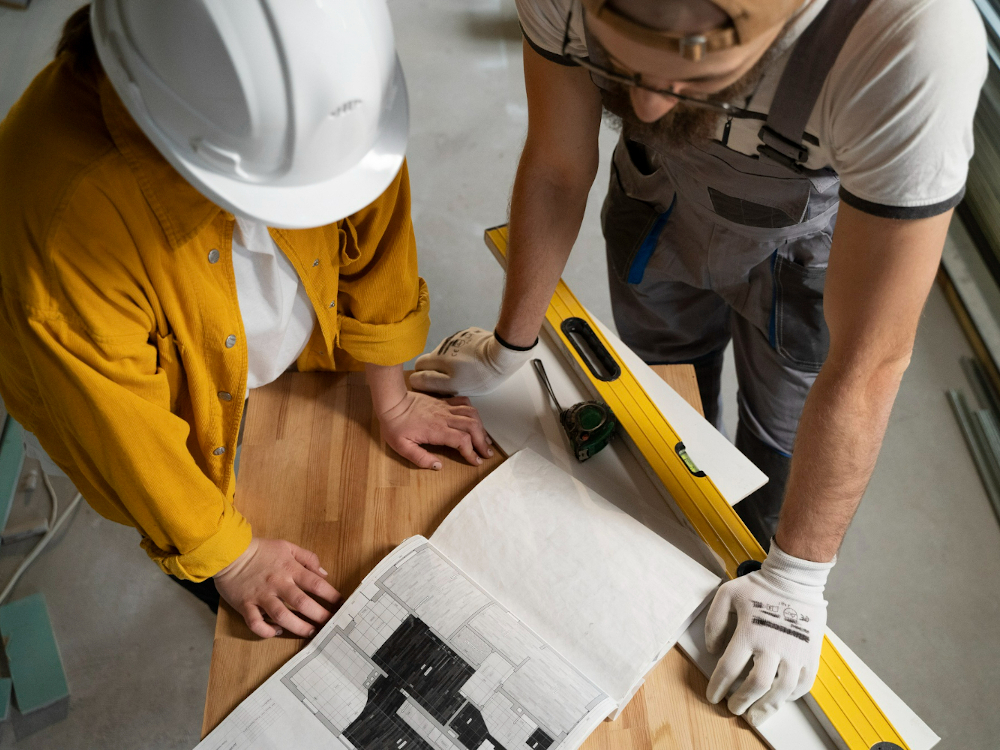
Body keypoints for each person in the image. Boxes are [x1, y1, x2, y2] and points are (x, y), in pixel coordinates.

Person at [411, 0, 987, 726]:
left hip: (811, 257)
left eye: (692, 73)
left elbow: (870, 359)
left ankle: (756, 536)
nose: (646, 103)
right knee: (663, 394)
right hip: (661, 205)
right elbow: (558, 166)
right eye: (619, 63)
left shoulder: (911, 38)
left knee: (777, 436)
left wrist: (796, 576)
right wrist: (514, 344)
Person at [0, 2, 491, 641]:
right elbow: (127, 437)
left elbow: (375, 224)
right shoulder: (58, 225)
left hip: (267, 341)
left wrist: (391, 398)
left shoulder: (337, 94)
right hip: (149, 407)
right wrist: (233, 558)